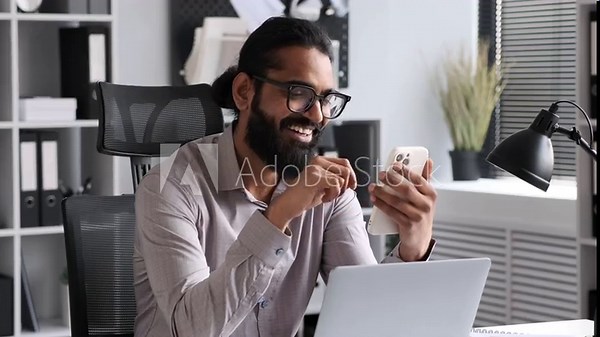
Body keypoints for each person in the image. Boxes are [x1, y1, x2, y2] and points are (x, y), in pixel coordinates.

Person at [134, 16, 437, 337]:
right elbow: (192, 329)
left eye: (325, 99)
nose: (317, 115)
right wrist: (279, 215)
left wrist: (412, 248)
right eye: (299, 93)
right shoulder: (170, 187)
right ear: (244, 91)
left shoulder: (329, 194)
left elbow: (372, 319)